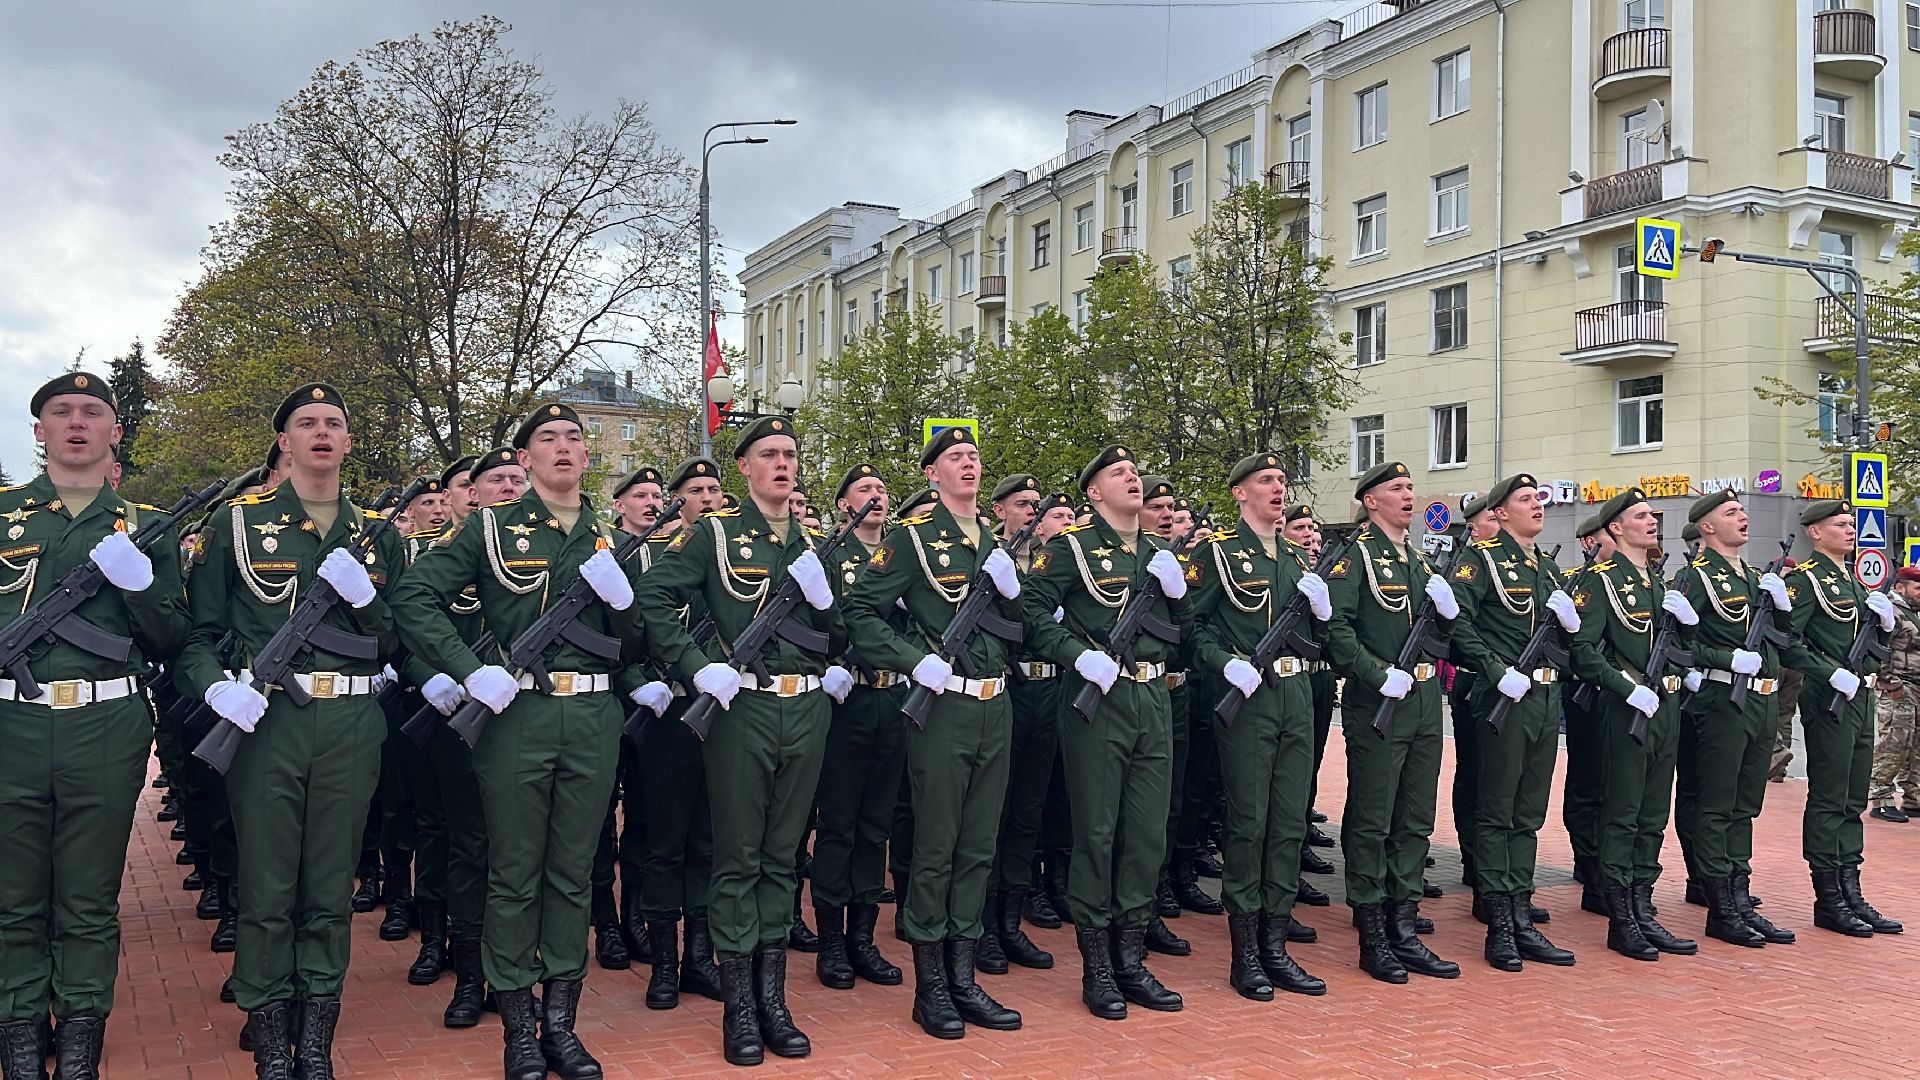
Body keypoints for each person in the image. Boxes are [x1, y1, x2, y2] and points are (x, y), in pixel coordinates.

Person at [393, 403, 657, 1080]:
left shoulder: (606, 538)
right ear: (526, 459)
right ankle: (517, 1029)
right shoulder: (490, 528)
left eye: (575, 438)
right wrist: (470, 668)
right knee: (514, 874)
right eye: (549, 439)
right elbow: (416, 597)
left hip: (594, 717)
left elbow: (633, 645)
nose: (564, 447)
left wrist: (625, 604)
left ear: (588, 458)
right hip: (519, 718)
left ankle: (562, 1025)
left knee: (573, 873)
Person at [179, 383, 408, 1078]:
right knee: (269, 881)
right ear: (283, 441)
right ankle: (270, 1035)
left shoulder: (378, 535)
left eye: (333, 423)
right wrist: (217, 688)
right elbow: (198, 635)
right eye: (306, 423)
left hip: (350, 721)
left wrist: (369, 603)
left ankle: (316, 1038)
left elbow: (399, 639)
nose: (321, 433)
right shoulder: (238, 524)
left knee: (330, 882)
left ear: (346, 441)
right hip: (268, 720)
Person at [634, 415, 840, 1067]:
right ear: (744, 467)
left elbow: (837, 629)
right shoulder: (715, 535)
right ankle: (740, 1007)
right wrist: (697, 668)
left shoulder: (810, 541)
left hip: (805, 710)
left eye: (790, 454)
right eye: (768, 454)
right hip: (743, 707)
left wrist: (826, 598)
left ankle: (774, 1000)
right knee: (739, 857)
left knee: (784, 856)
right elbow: (653, 599)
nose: (782, 464)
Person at [0, 374, 187, 1080]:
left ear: (115, 434)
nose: (76, 421)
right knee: (13, 893)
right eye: (60, 411)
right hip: (10, 722)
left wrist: (140, 586)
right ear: (40, 430)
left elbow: (175, 637)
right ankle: (20, 1030)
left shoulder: (145, 525)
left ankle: (81, 1031)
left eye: (93, 413)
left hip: (106, 722)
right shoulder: (3, 518)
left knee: (88, 894)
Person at [844, 427, 1023, 1039]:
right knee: (937, 848)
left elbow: (1018, 629)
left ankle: (964, 977)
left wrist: (1013, 591)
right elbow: (860, 611)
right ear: (931, 475)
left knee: (978, 848)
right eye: (955, 457)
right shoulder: (913, 540)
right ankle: (931, 988)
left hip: (995, 707)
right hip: (942, 708)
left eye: (974, 456)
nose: (968, 464)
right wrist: (909, 659)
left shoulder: (996, 544)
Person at [1021, 444, 1191, 1020]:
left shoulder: (1157, 554)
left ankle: (1131, 957)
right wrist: (1077, 655)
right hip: (1099, 698)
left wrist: (1177, 594)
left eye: (1135, 471)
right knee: (1097, 832)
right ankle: (1097, 968)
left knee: (1146, 833)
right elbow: (1031, 613)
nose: (1132, 478)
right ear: (1094, 493)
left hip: (1152, 697)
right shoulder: (1070, 548)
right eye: (1118, 473)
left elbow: (1183, 632)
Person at [1186, 451, 1330, 1000]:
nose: (1277, 487)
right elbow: (1191, 628)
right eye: (1265, 480)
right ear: (1239, 493)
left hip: (1296, 696)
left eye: (1280, 479)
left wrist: (1323, 610)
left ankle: (1276, 947)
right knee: (1249, 825)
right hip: (1248, 699)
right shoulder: (1219, 556)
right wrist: (1225, 663)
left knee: (1289, 823)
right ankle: (1245, 954)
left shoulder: (1295, 560)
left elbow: (1321, 639)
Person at [1324, 461, 1459, 984]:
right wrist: (1375, 675)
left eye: (1410, 487)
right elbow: (1335, 628)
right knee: (1373, 818)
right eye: (1397, 489)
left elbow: (1442, 632)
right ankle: (1372, 933)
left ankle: (1404, 928)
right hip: (1379, 700)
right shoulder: (1355, 557)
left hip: (1424, 701)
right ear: (1371, 501)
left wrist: (1448, 614)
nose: (1409, 495)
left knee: (1415, 818)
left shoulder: (1421, 563)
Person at [1444, 474, 1579, 971]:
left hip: (1544, 697)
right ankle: (1500, 924)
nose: (1536, 505)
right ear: (1499, 513)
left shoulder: (1546, 566)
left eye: (1537, 498)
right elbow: (1456, 623)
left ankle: (1522, 917)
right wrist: (1495, 668)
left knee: (1528, 813)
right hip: (1502, 695)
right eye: (1525, 499)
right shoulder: (1480, 561)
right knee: (1497, 810)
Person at [1566, 488, 1698, 961]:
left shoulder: (1660, 584)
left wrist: (1687, 664)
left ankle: (1644, 909)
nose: (1650, 521)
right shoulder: (1601, 581)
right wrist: (1626, 688)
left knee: (1652, 816)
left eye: (1652, 515)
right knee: (1621, 815)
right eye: (1639, 516)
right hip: (1626, 711)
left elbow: (1677, 647)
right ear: (1615, 529)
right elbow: (1583, 651)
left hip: (1664, 711)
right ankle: (1622, 920)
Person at [1671, 488, 1796, 949]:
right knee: (1716, 804)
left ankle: (1740, 898)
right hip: (1723, 699)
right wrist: (1725, 658)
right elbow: (1680, 645)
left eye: (1742, 510)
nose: (1743, 516)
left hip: (1762, 701)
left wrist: (1782, 610)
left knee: (1746, 805)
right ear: (1707, 526)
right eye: (1731, 512)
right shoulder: (1693, 578)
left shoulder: (1755, 578)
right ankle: (1720, 906)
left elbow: (1782, 640)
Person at [1781, 500, 1903, 937]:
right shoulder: (1806, 580)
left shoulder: (1852, 580)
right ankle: (1828, 897)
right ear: (1815, 532)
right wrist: (1827, 672)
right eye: (1840, 524)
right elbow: (1787, 640)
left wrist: (1885, 627)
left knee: (1853, 798)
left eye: (1852, 523)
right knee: (1830, 796)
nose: (1851, 530)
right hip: (1829, 695)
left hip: (1860, 695)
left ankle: (1851, 889)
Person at [633, 457, 728, 1012]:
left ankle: (700, 958)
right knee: (666, 843)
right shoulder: (647, 561)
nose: (709, 497)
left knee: (710, 840)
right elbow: (626, 637)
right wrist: (642, 682)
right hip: (670, 711)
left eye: (716, 489)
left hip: (727, 710)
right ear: (677, 502)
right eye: (697, 490)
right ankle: (665, 967)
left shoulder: (737, 556)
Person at [808, 463, 906, 993]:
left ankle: (863, 938)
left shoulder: (905, 556)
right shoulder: (831, 556)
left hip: (895, 698)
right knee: (840, 822)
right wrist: (829, 664)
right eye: (865, 489)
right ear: (846, 505)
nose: (876, 495)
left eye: (881, 488)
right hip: (848, 699)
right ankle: (831, 941)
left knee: (877, 823)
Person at [589, 464, 668, 973]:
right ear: (619, 505)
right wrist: (631, 680)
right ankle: (605, 925)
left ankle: (634, 917)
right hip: (611, 699)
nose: (651, 503)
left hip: (661, 701)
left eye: (657, 495)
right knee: (599, 820)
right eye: (640, 495)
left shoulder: (670, 553)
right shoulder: (607, 553)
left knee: (643, 816)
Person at [983, 474, 1062, 970]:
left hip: (1048, 691)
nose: (1032, 511)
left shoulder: (1055, 559)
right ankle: (985, 927)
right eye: (1022, 504)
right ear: (999, 512)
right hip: (1007, 690)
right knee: (994, 813)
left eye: (1037, 504)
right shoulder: (989, 557)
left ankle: (1011, 924)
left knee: (1028, 812)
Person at [1448, 492, 1498, 893]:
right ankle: (1475, 859)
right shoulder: (1470, 566)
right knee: (1477, 775)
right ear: (1473, 526)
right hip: (1476, 681)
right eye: (1491, 519)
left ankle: (1502, 874)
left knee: (1506, 784)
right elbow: (1459, 628)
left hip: (1520, 688)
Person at [1868, 565, 1920, 822]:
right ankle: (1881, 799)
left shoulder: (1914, 612)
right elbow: (1878, 650)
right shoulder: (1891, 613)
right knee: (1894, 744)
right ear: (1900, 587)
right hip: (1899, 687)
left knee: (1916, 745)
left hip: (1917, 687)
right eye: (1918, 588)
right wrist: (1891, 684)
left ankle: (1914, 798)